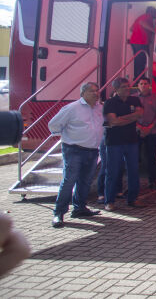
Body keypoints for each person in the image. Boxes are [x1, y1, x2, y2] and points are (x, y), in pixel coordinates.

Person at [48, 82, 105, 227]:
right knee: (69, 181)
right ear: (83, 93)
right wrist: (67, 136)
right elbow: (53, 124)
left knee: (85, 181)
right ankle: (59, 213)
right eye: (92, 91)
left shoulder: (100, 108)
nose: (96, 93)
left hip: (92, 150)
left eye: (97, 90)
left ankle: (80, 208)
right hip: (74, 150)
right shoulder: (72, 108)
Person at [103, 78, 144, 210]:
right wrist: (131, 117)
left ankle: (133, 199)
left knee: (133, 171)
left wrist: (120, 119)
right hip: (114, 142)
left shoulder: (135, 100)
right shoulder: (110, 103)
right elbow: (113, 121)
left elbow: (140, 114)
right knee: (113, 171)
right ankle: (109, 201)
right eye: (123, 87)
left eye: (128, 86)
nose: (127, 89)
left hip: (132, 141)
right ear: (116, 89)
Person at [137, 77, 156, 190]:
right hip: (137, 133)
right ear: (138, 86)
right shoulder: (134, 99)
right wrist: (139, 128)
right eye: (141, 83)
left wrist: (149, 128)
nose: (143, 85)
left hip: (152, 132)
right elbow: (130, 115)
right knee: (135, 158)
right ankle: (134, 183)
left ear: (149, 85)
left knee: (151, 157)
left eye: (145, 83)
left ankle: (152, 181)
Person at [129, 6, 155, 81]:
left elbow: (131, 28)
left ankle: (137, 79)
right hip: (141, 42)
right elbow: (142, 23)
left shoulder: (140, 17)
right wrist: (154, 31)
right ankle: (140, 79)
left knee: (138, 61)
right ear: (151, 12)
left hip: (135, 42)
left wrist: (143, 33)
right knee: (142, 61)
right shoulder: (147, 16)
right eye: (154, 12)